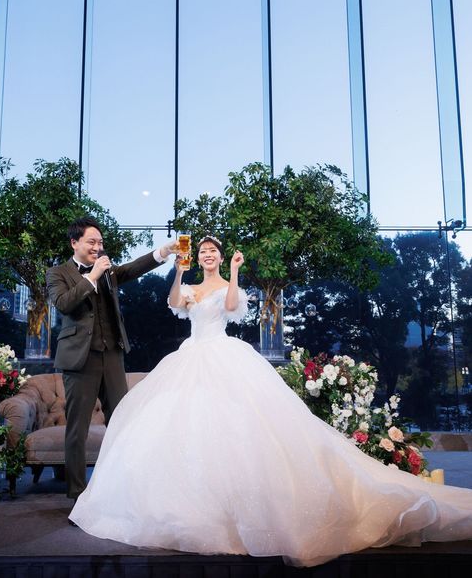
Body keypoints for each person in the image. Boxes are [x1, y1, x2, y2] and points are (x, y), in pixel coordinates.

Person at [68, 235, 472, 567]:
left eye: (212, 251)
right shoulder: (190, 287)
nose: (207, 255)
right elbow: (175, 303)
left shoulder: (226, 284)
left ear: (219, 257)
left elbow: (231, 308)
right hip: (190, 357)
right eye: (203, 251)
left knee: (240, 427)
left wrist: (235, 272)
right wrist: (176, 271)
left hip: (223, 354)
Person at [46, 216, 176, 506]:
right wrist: (91, 277)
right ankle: (78, 496)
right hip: (79, 360)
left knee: (122, 423)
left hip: (112, 355)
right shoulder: (58, 273)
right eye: (91, 242)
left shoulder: (106, 270)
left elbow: (132, 269)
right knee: (77, 430)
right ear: (74, 242)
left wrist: (163, 252)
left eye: (100, 242)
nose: (97, 247)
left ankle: (122, 488)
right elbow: (64, 304)